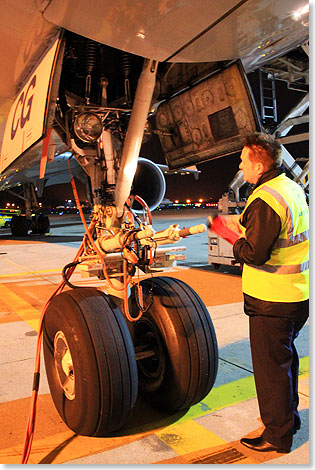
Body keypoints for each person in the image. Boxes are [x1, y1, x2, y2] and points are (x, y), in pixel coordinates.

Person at [228, 132, 309, 453]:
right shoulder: (291, 188)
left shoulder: (265, 198)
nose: (240, 164)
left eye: (244, 159)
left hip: (271, 299)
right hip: (296, 294)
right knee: (285, 361)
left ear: (259, 165)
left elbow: (255, 253)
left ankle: (277, 436)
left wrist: (235, 240)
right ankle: (289, 419)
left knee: (270, 370)